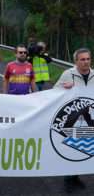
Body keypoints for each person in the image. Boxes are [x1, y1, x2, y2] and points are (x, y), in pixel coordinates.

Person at [54, 48, 93, 193]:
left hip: (89, 119)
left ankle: (76, 177)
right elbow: (54, 92)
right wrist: (65, 89)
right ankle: (68, 180)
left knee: (83, 150)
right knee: (71, 149)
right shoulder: (67, 74)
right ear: (76, 61)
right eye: (82, 59)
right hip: (72, 118)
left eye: (88, 59)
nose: (86, 62)